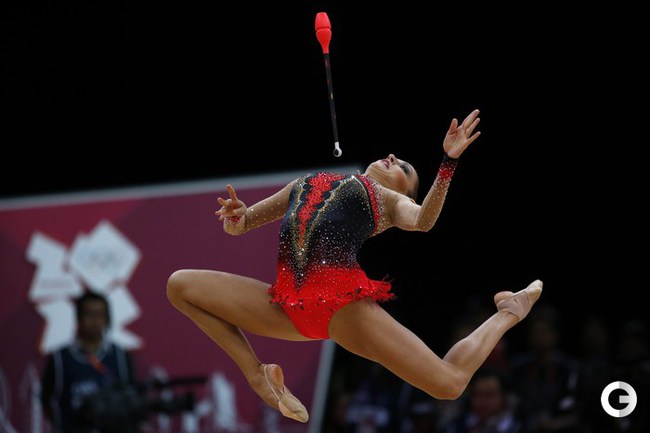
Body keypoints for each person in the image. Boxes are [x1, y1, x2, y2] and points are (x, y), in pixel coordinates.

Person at [166, 108, 543, 424]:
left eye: (405, 168)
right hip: (288, 307)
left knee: (449, 383)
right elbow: (244, 223)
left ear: (404, 191)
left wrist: (448, 163)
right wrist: (235, 217)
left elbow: (424, 220)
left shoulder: (389, 202)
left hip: (341, 307)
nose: (393, 157)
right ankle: (257, 375)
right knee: (180, 286)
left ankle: (509, 311)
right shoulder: (306, 182)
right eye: (397, 157)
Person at [40, 291, 137, 433]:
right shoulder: (60, 358)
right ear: (78, 318)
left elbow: (131, 397)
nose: (95, 321)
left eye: (100, 315)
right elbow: (48, 401)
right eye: (89, 314)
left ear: (107, 318)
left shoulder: (120, 356)